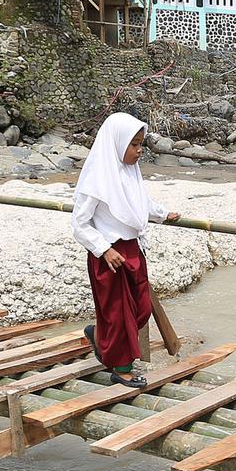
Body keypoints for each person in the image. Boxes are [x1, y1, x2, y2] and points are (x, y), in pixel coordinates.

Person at [71, 113, 180, 387]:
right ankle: (122, 369)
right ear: (117, 144)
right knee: (119, 315)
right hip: (110, 257)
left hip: (133, 251)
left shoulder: (130, 173)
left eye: (141, 144)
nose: (139, 150)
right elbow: (79, 225)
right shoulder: (96, 180)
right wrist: (104, 249)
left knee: (140, 308)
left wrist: (164, 214)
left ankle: (98, 336)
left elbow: (141, 204)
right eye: (134, 144)